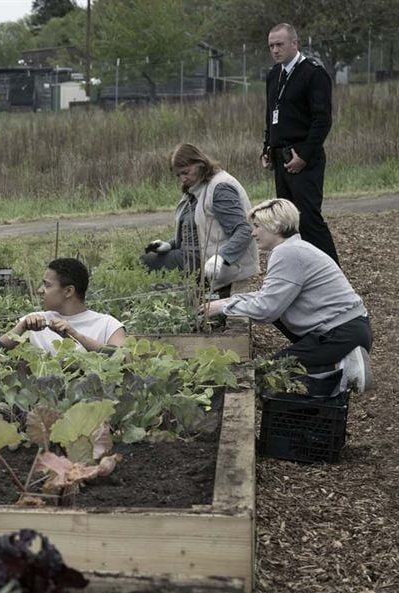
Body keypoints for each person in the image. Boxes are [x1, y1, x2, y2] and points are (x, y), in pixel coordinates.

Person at [203, 199, 370, 379]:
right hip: (348, 329)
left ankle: (343, 369)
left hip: (340, 334)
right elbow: (269, 296)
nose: (253, 233)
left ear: (274, 226)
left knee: (271, 373)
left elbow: (266, 309)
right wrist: (227, 301)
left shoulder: (288, 253)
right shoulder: (294, 248)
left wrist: (222, 308)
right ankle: (334, 362)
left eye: (258, 226)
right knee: (273, 370)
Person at [261, 23, 337, 263]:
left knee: (309, 220)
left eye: (280, 44)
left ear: (295, 43)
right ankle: (300, 273)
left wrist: (303, 156)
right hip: (281, 158)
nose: (275, 50)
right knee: (287, 223)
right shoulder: (274, 74)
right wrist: (267, 147)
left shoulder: (313, 73)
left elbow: (322, 120)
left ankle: (333, 275)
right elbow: (271, 114)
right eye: (271, 45)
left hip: (305, 158)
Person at [142, 144, 259, 294]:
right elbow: (198, 229)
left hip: (223, 265)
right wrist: (170, 245)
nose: (183, 179)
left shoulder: (220, 189)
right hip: (197, 256)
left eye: (186, 172)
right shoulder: (196, 188)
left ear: (200, 164)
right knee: (147, 259)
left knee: (144, 264)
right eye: (178, 175)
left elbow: (244, 230)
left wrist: (221, 257)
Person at [0, 258, 127, 354]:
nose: (40, 290)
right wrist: (20, 328)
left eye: (47, 285)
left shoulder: (108, 325)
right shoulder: (32, 323)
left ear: (68, 291)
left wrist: (75, 336)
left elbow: (123, 358)